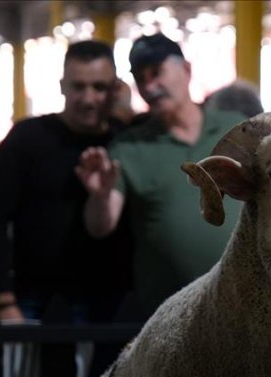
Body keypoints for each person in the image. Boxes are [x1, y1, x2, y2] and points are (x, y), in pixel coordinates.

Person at [77, 33, 246, 318]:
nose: (149, 86)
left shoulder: (237, 130)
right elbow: (100, 226)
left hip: (245, 306)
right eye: (141, 78)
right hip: (169, 318)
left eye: (157, 73)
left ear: (187, 70)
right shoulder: (129, 148)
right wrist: (101, 195)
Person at [0, 39, 132, 324]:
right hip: (34, 300)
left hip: (110, 301)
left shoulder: (127, 140)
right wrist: (4, 301)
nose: (88, 98)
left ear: (114, 89)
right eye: (78, 86)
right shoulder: (26, 139)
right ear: (63, 86)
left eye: (99, 87)